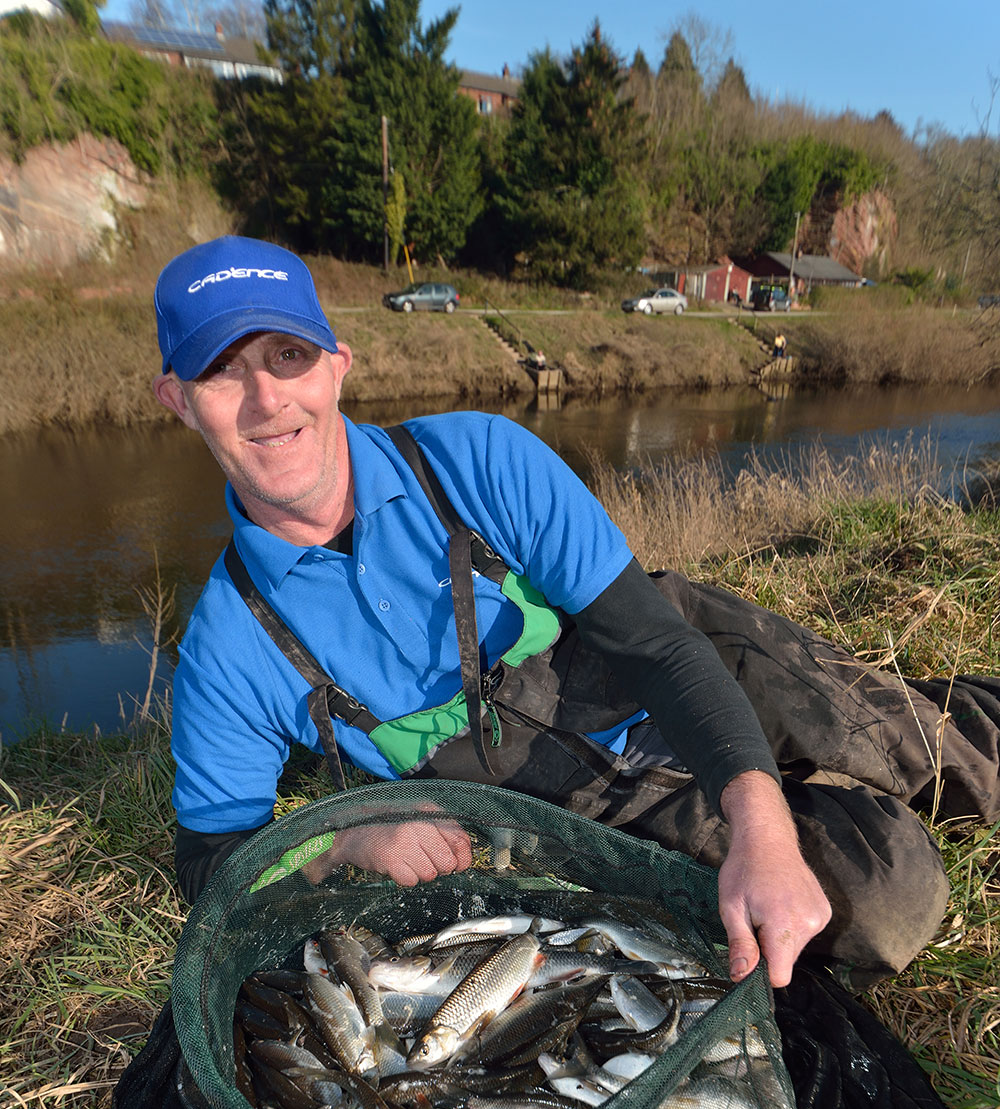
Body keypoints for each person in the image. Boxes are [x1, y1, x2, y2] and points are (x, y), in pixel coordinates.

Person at [153, 236, 1000, 992]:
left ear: (337, 364)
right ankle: (807, 787)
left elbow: (659, 646)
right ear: (179, 401)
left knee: (947, 755)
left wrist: (762, 826)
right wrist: (344, 842)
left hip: (671, 669)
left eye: (288, 354)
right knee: (886, 909)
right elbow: (211, 859)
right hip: (576, 807)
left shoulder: (477, 458)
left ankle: (900, 724)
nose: (267, 398)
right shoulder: (230, 644)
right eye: (223, 370)